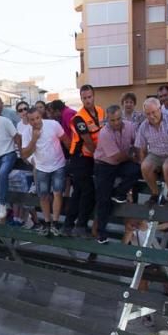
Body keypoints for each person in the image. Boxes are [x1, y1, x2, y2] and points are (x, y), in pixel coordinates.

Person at [93, 104, 141, 243]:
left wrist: (137, 157)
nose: (116, 122)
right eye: (112, 120)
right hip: (104, 164)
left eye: (118, 119)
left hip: (121, 162)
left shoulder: (130, 126)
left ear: (122, 117)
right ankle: (102, 233)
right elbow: (116, 157)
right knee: (103, 200)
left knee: (136, 170)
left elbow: (137, 144)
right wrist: (132, 155)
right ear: (108, 119)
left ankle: (119, 193)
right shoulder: (104, 133)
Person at [62, 85, 105, 236]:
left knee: (79, 192)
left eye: (89, 97)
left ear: (94, 96)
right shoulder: (78, 118)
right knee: (88, 191)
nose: (87, 100)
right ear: (81, 99)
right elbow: (88, 141)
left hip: (91, 158)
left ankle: (68, 225)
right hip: (80, 158)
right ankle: (80, 225)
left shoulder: (100, 111)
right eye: (84, 98)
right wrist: (102, 158)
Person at [19, 107, 66, 236]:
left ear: (41, 116)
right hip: (41, 167)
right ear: (28, 121)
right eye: (32, 120)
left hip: (58, 164)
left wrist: (71, 156)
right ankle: (46, 222)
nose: (35, 122)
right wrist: (34, 139)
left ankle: (55, 223)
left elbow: (65, 139)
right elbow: (24, 153)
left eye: (37, 118)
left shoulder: (53, 125)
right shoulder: (27, 132)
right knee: (43, 195)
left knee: (57, 193)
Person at [134, 98, 168, 207]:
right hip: (156, 154)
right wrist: (143, 162)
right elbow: (141, 148)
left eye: (153, 112)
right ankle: (155, 194)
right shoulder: (144, 126)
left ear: (160, 109)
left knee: (167, 165)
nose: (151, 116)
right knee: (145, 166)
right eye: (148, 114)